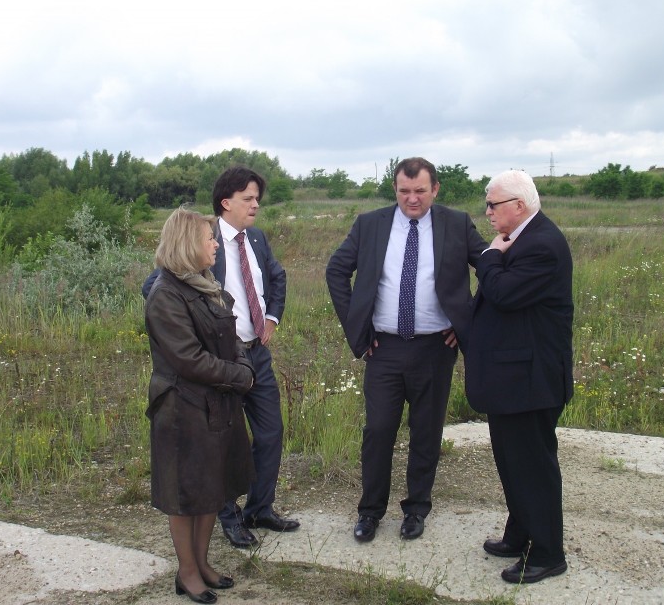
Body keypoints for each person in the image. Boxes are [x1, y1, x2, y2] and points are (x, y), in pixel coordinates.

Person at [326, 156, 487, 543]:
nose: (411, 199)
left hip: (435, 348)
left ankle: (416, 509)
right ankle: (370, 512)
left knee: (426, 432)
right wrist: (358, 331)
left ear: (435, 189)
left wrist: (467, 321)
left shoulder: (456, 223)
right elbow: (336, 270)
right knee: (378, 430)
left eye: (419, 191)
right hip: (384, 349)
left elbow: (491, 268)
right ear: (394, 189)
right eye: (404, 191)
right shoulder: (370, 224)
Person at [143, 165, 298, 549]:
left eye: (257, 199)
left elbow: (277, 278)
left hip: (255, 355)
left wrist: (272, 319)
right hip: (219, 363)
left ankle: (260, 508)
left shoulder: (257, 240)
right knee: (225, 442)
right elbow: (155, 286)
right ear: (225, 203)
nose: (255, 206)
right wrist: (193, 332)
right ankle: (228, 517)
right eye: (248, 199)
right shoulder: (202, 239)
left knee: (270, 432)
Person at [463, 169, 574, 584]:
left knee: (533, 467)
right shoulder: (523, 239)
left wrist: (488, 256)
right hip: (513, 380)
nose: (487, 212)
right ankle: (520, 534)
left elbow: (505, 294)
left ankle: (547, 553)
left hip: (532, 381)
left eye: (493, 204)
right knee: (513, 464)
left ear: (519, 206)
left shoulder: (541, 244)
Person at [144, 206, 255, 603]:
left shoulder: (206, 285)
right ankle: (187, 573)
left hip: (217, 403)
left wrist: (242, 362)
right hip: (182, 409)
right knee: (186, 493)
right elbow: (187, 359)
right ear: (189, 244)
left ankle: (204, 563)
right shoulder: (166, 294)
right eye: (209, 238)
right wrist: (240, 375)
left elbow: (232, 338)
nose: (214, 244)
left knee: (214, 486)